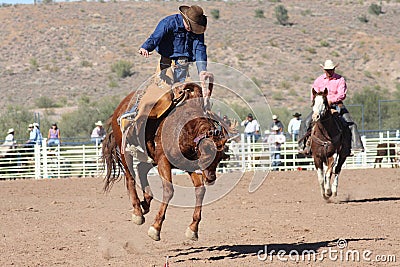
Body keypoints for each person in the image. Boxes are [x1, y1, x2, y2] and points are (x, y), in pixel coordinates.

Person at [299, 59, 364, 155]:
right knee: (306, 122)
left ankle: (355, 146)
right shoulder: (319, 80)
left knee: (350, 124)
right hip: (321, 106)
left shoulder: (340, 79)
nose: (329, 72)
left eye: (331, 69)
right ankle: (303, 146)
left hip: (337, 104)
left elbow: (342, 94)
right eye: (327, 70)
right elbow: (314, 94)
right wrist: (318, 102)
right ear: (324, 70)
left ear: (334, 69)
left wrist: (331, 100)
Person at [138, 5, 208, 84]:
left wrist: (202, 70)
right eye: (190, 26)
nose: (191, 29)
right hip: (166, 58)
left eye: (193, 27)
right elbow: (156, 37)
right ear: (185, 18)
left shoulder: (197, 30)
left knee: (181, 88)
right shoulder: (168, 23)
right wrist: (146, 48)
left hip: (183, 61)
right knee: (163, 86)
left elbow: (200, 49)